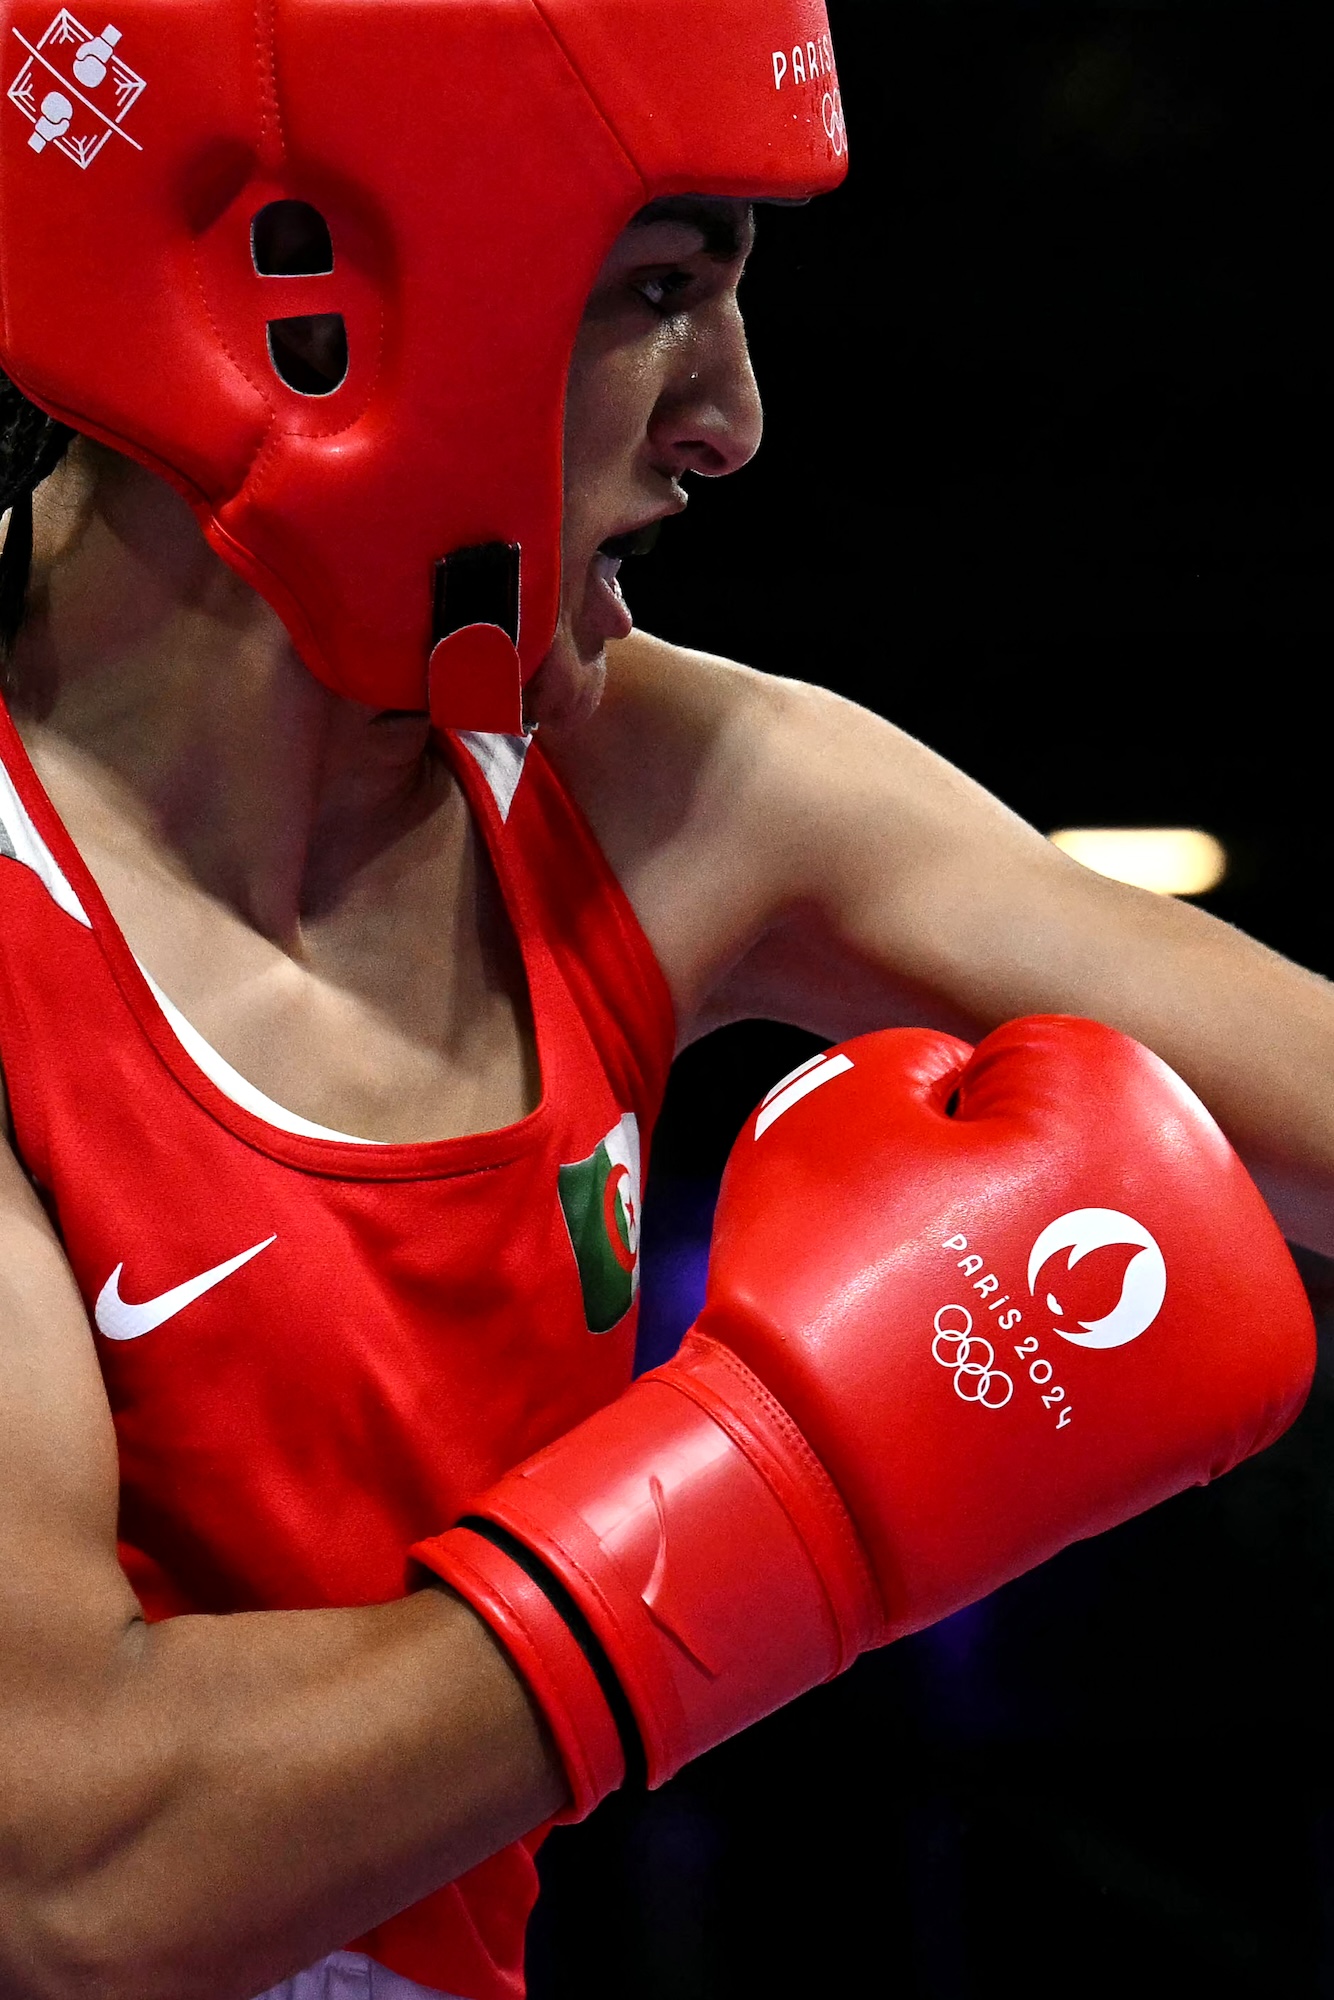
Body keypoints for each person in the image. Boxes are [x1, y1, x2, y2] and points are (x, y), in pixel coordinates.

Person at [0, 4, 1327, 1999]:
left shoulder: (669, 791)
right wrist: (784, 1487)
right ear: (301, 299)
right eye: (651, 289)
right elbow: (72, 1874)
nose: (731, 416)